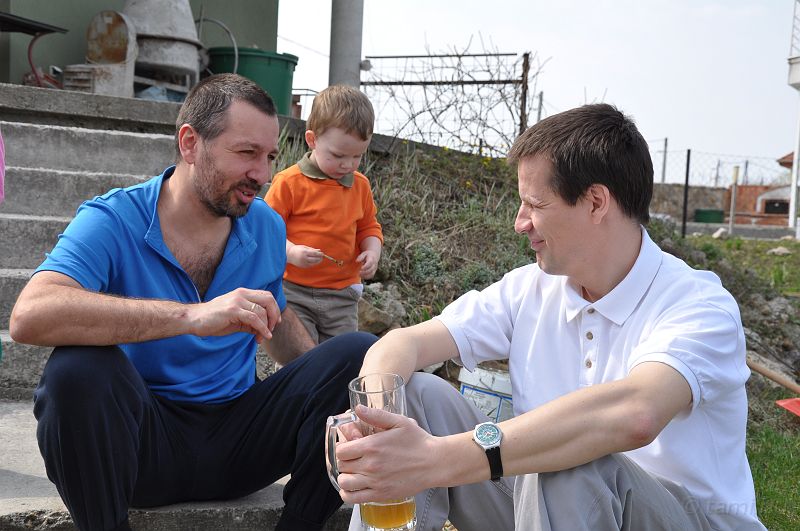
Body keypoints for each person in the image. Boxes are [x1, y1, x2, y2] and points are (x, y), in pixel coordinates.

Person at [333, 104, 766, 531]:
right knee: (416, 395)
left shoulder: (699, 305)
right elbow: (402, 343)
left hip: (682, 520)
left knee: (567, 463)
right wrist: (376, 426)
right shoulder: (530, 290)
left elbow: (636, 414)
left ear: (596, 202)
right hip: (548, 512)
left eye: (534, 204)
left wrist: (433, 459)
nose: (519, 222)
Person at [9, 73, 376, 531]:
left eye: (268, 157)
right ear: (190, 144)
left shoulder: (265, 225)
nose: (262, 175)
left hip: (241, 443)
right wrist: (191, 317)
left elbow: (275, 318)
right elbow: (30, 315)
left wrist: (328, 381)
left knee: (360, 354)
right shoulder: (113, 218)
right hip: (143, 445)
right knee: (75, 371)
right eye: (246, 153)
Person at [266, 85, 383, 343]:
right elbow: (267, 231)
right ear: (312, 140)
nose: (348, 164)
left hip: (342, 296)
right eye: (338, 155)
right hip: (293, 291)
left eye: (357, 156)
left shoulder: (360, 186)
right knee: (299, 354)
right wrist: (291, 252)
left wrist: (372, 252)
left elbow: (369, 228)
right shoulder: (289, 182)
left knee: (340, 356)